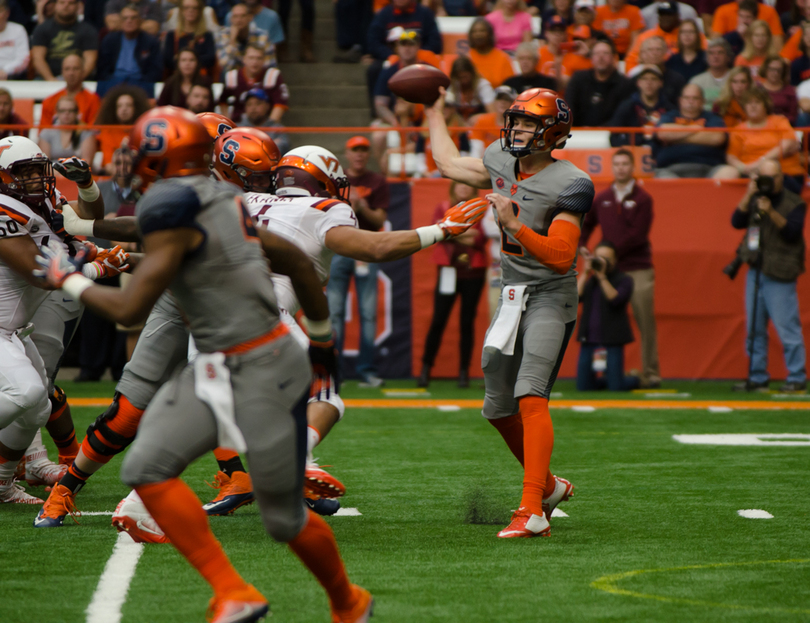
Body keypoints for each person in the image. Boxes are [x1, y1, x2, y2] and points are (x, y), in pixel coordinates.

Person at [32, 108, 374, 623]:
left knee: (282, 518)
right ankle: (234, 591)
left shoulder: (176, 202)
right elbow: (298, 263)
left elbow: (127, 308)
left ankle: (349, 602)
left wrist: (68, 278)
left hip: (258, 363)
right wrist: (322, 340)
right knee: (145, 467)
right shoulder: (228, 198)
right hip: (225, 359)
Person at [426, 87, 590, 538]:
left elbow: (561, 255)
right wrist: (434, 112)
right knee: (497, 408)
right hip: (512, 295)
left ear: (551, 132)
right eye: (514, 120)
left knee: (531, 393)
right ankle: (552, 487)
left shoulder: (572, 182)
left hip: (551, 296)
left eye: (527, 123)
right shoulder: (500, 156)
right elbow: (448, 164)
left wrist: (516, 225)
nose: (516, 129)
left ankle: (532, 508)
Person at [0, 136, 116, 503]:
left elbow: (82, 230)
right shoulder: (4, 210)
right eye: (25, 172)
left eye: (38, 169)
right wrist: (98, 266)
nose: (35, 178)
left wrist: (98, 253)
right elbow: (40, 273)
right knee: (28, 392)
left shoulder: (45, 202)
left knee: (39, 406)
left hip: (14, 330)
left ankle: (2, 484)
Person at [580, 149, 661, 388]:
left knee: (644, 320)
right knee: (602, 320)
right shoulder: (603, 197)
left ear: (633, 166)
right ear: (612, 167)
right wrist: (582, 245)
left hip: (637, 268)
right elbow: (585, 223)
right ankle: (604, 373)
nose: (621, 168)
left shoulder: (644, 199)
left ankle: (650, 372)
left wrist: (606, 254)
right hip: (609, 273)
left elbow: (637, 236)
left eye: (625, 163)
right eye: (617, 164)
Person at [731, 158, 806, 392]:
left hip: (780, 272)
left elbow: (793, 232)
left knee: (787, 328)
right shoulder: (754, 199)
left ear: (781, 177)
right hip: (756, 269)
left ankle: (796, 376)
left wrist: (770, 212)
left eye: (771, 178)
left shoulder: (795, 203)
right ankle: (757, 375)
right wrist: (747, 195)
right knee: (754, 329)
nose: (767, 183)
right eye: (763, 177)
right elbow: (736, 221)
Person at [327, 136, 390, 388]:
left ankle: (366, 369)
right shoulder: (336, 181)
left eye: (364, 150)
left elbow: (379, 221)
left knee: (367, 313)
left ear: (368, 154)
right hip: (340, 247)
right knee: (334, 312)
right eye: (356, 150)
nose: (360, 155)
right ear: (348, 153)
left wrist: (361, 206)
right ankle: (333, 371)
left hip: (366, 249)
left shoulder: (377, 182)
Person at [418, 182, 487, 388]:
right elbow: (437, 233)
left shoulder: (482, 208)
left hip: (474, 270)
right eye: (460, 185)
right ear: (453, 187)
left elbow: (481, 237)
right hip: (448, 268)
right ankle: (425, 369)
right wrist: (465, 233)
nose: (464, 188)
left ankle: (464, 373)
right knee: (439, 319)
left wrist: (452, 231)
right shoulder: (443, 206)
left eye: (468, 185)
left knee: (467, 322)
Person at [575, 241, 640, 392]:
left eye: (606, 258)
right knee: (583, 387)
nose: (602, 261)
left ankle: (635, 379)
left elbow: (615, 299)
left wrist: (602, 277)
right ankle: (608, 378)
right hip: (589, 339)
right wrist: (585, 272)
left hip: (612, 339)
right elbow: (575, 297)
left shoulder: (624, 279)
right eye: (599, 257)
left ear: (615, 260)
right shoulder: (591, 281)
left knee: (616, 387)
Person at [715, 88, 804, 189]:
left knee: (768, 166)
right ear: (744, 106)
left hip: (785, 174)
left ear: (765, 105)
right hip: (749, 174)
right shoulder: (738, 130)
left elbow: (787, 145)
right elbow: (732, 157)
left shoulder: (779, 121)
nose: (753, 106)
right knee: (726, 172)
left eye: (757, 102)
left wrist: (759, 164)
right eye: (749, 103)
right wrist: (743, 168)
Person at [654, 84, 727, 177]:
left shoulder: (712, 118)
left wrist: (675, 138)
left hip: (709, 168)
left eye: (695, 98)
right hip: (671, 168)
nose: (690, 102)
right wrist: (695, 128)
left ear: (702, 101)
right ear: (680, 100)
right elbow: (662, 133)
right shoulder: (669, 116)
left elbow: (717, 138)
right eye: (686, 98)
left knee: (729, 172)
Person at [96, 4, 162, 97]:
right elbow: (102, 69)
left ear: (140, 20)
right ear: (120, 21)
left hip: (140, 83)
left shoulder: (150, 41)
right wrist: (111, 79)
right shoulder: (109, 40)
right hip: (114, 82)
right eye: (125, 18)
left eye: (133, 18)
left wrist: (144, 80)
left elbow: (155, 70)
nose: (129, 21)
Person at [566, 39, 635, 126]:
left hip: (610, 135)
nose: (601, 57)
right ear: (591, 58)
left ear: (614, 58)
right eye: (597, 53)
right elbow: (569, 107)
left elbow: (622, 116)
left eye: (605, 53)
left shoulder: (625, 84)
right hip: (577, 134)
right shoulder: (578, 79)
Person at [91, 85, 152, 175]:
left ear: (136, 108)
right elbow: (108, 166)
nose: (124, 109)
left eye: (128, 105)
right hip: (112, 178)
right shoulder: (108, 132)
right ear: (114, 110)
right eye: (120, 106)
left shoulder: (142, 132)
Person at [31, 0, 98, 81]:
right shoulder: (42, 29)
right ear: (55, 5)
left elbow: (90, 61)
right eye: (62, 2)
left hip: (80, 79)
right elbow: (38, 59)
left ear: (78, 6)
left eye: (71, 3)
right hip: (47, 79)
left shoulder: (88, 31)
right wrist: (50, 79)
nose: (66, 6)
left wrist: (76, 81)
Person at [218, 44, 288, 122]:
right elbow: (222, 101)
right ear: (244, 59)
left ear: (264, 60)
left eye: (259, 58)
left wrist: (270, 128)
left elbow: (280, 104)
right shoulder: (232, 76)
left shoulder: (273, 76)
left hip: (265, 125)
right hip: (239, 125)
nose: (255, 62)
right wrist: (228, 122)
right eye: (251, 58)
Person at [608, 65, 672, 147]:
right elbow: (614, 136)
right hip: (633, 151)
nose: (649, 83)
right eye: (645, 79)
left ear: (660, 83)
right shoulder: (627, 106)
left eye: (653, 79)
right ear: (638, 83)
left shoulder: (668, 108)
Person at [40, 55, 100, 129]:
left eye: (75, 69)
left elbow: (93, 131)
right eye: (67, 69)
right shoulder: (49, 101)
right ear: (62, 72)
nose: (71, 73)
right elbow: (43, 132)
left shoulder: (93, 100)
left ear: (83, 71)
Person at [215, 3, 272, 76]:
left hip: (258, 77)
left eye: (243, 16)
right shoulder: (223, 35)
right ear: (231, 19)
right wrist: (232, 40)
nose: (239, 20)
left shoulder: (262, 35)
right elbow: (224, 66)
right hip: (234, 78)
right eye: (235, 16)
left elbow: (269, 64)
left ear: (250, 17)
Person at [163, 0, 217, 77]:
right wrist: (198, 58)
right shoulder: (171, 35)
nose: (190, 11)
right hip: (177, 79)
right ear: (181, 10)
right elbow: (168, 60)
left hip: (201, 77)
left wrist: (180, 59)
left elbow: (210, 59)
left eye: (195, 8)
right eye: (186, 8)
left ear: (199, 11)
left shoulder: (207, 35)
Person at [631, 35, 686, 106]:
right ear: (643, 54)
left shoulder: (677, 79)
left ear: (665, 53)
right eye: (650, 50)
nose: (655, 53)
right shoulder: (634, 79)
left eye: (658, 49)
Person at [37, 97, 95, 164]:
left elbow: (87, 162)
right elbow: (44, 164)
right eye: (62, 110)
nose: (67, 113)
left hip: (78, 173)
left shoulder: (86, 133)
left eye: (71, 110)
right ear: (57, 112)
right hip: (53, 172)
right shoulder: (46, 133)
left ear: (77, 113)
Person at [237, 88, 290, 154]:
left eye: (258, 103)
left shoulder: (278, 129)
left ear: (267, 106)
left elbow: (282, 147)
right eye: (249, 104)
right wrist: (269, 145)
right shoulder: (237, 129)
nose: (253, 107)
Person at [467, 18, 516, 89]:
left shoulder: (503, 58)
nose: (478, 34)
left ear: (490, 34)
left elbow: (509, 86)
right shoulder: (467, 58)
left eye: (482, 31)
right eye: (474, 32)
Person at [470, 86, 517, 158]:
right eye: (499, 99)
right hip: (485, 159)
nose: (503, 102)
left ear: (513, 103)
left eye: (507, 99)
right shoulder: (483, 120)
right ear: (494, 102)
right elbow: (476, 149)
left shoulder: (517, 124)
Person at [448, 55, 497, 122]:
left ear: (472, 73)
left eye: (465, 77)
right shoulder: (452, 86)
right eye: (460, 78)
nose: (463, 81)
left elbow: (493, 113)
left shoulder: (483, 85)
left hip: (479, 124)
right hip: (459, 125)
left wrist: (479, 118)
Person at [689, 37, 733, 110]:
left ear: (728, 57)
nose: (715, 56)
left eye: (720, 53)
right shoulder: (696, 82)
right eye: (711, 53)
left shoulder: (736, 79)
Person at [711, 0, 783, 44]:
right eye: (741, 16)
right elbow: (715, 42)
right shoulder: (723, 11)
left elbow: (777, 44)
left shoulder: (769, 12)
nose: (745, 19)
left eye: (748, 16)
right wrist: (737, 34)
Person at [759, 55, 798, 123]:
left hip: (784, 125)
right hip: (762, 125)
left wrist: (780, 120)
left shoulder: (789, 90)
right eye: (772, 69)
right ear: (766, 69)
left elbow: (793, 115)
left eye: (779, 70)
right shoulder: (757, 89)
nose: (775, 73)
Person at [0, 0, 28, 79]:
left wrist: (5, 71)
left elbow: (23, 59)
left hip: (13, 76)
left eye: (0, 11)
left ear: (7, 13)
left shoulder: (18, 30)